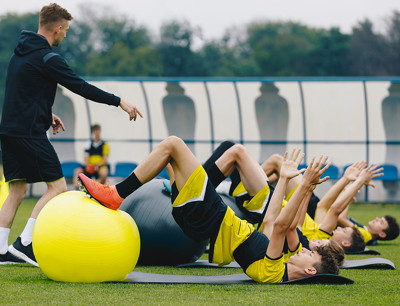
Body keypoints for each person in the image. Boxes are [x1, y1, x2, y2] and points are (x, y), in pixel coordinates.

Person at [79, 136, 340, 283]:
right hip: (205, 217)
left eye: (309, 255)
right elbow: (273, 220)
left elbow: (283, 225)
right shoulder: (279, 261)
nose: (306, 249)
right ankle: (117, 196)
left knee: (173, 145)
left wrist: (304, 184)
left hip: (209, 217)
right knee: (170, 159)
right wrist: (284, 179)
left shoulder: (274, 272)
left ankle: (116, 195)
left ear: (309, 271)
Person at [0, 3, 143, 266]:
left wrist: (47, 113)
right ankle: (26, 244)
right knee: (57, 187)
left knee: (17, 190)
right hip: (29, 133)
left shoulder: (19, 54)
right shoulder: (48, 58)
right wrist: (119, 101)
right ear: (58, 28)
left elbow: (22, 91)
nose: (65, 35)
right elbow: (81, 87)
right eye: (65, 30)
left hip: (9, 130)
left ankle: (1, 250)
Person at [73, 124, 110, 189]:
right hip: (89, 166)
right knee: (77, 171)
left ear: (100, 131)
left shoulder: (105, 145)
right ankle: (77, 189)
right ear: (93, 131)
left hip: (100, 166)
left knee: (104, 173)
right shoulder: (87, 144)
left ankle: (100, 189)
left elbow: (105, 160)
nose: (96, 132)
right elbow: (85, 157)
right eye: (95, 130)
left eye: (98, 130)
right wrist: (88, 165)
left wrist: (97, 166)